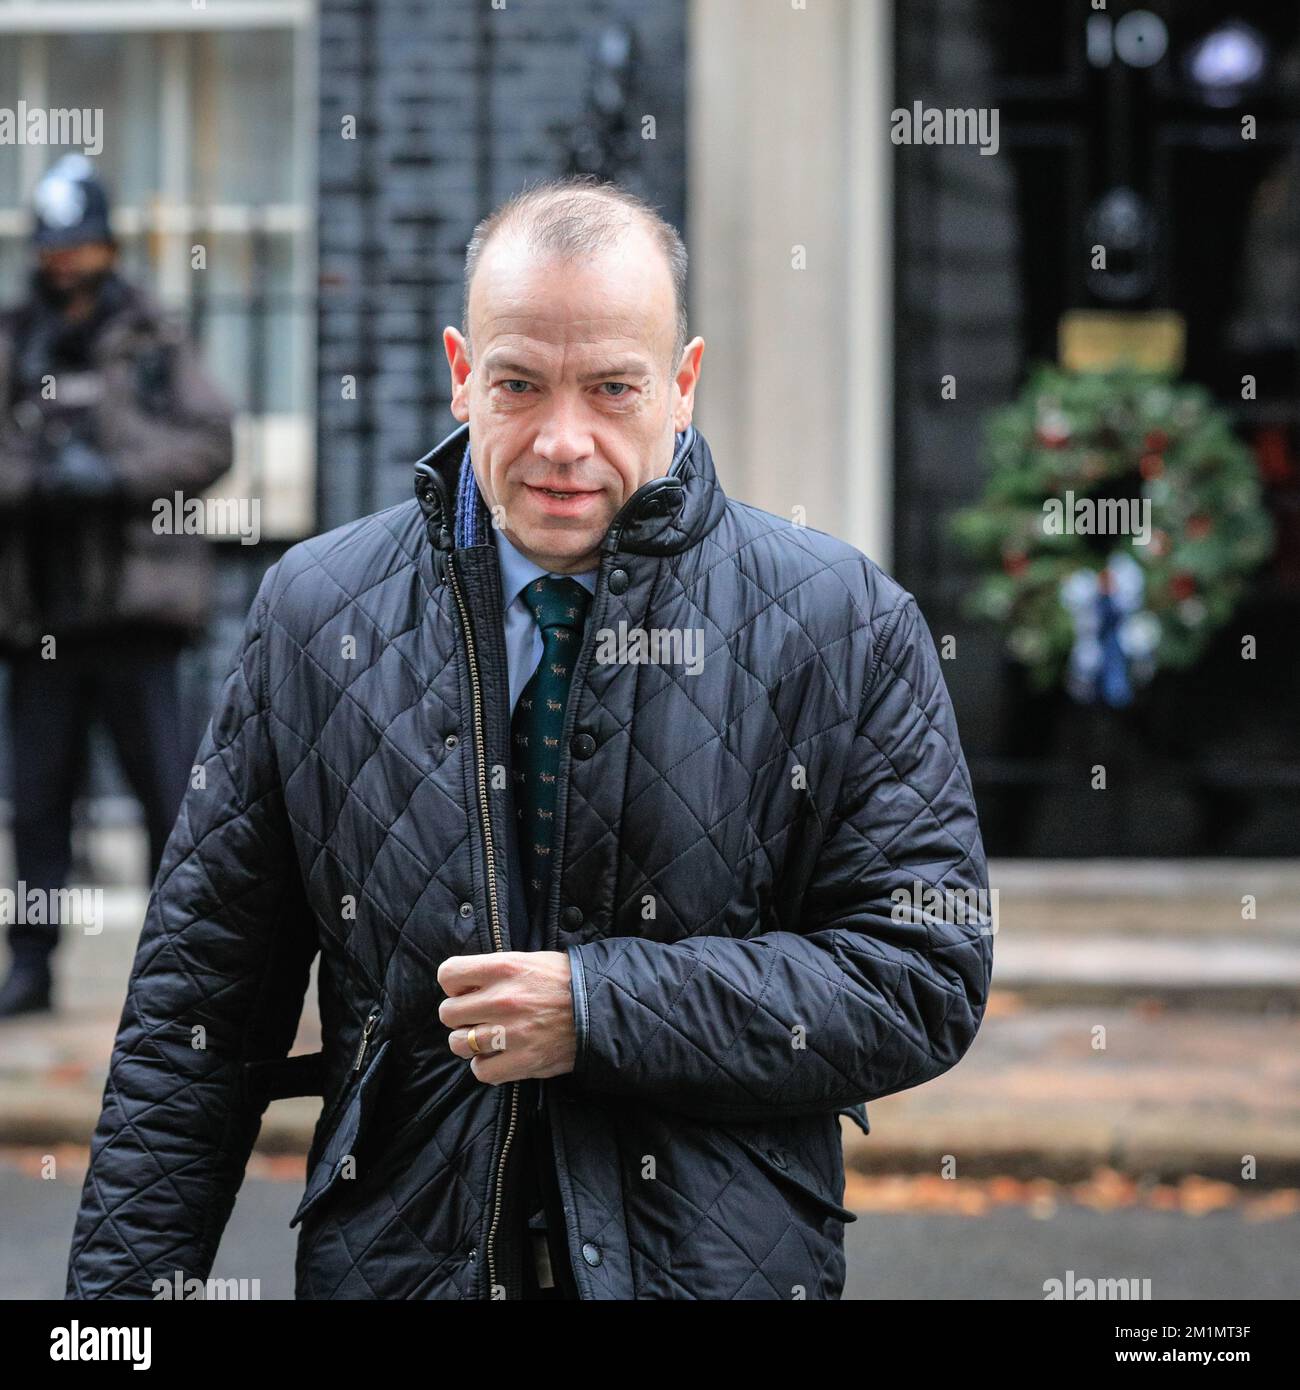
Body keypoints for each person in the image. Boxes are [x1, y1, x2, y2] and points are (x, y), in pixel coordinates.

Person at [66, 174, 993, 1301]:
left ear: (683, 384)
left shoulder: (842, 621)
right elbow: (194, 1013)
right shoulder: (314, 616)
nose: (564, 440)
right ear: (462, 374)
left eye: (612, 388)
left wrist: (601, 1009)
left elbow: (919, 976)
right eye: (519, 384)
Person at [0, 154, 235, 1017]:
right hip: (40, 616)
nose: (68, 263)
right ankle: (31, 969)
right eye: (56, 247)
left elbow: (210, 440)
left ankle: (184, 972)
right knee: (37, 804)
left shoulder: (152, 337)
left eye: (83, 246)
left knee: (166, 801)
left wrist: (113, 474)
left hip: (139, 614)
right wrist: (40, 477)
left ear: (107, 246)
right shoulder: (15, 337)